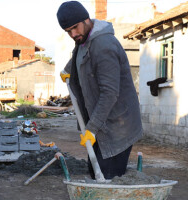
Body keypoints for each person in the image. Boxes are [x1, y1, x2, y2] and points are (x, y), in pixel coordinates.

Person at [56, 1, 143, 179]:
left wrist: (92, 128)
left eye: (75, 27)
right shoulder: (84, 39)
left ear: (86, 19)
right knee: (95, 174)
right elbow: (80, 54)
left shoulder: (104, 46)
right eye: (68, 31)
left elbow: (109, 93)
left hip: (117, 127)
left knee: (108, 178)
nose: (73, 34)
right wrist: (68, 70)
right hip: (99, 124)